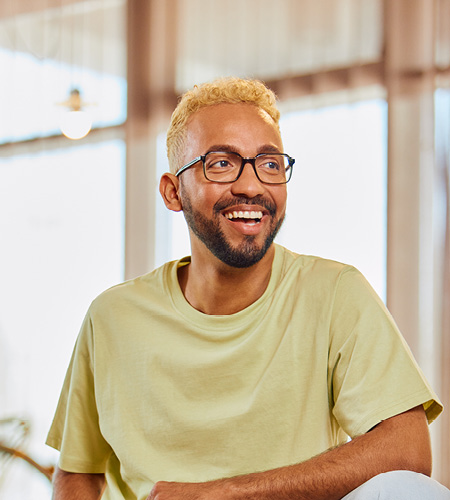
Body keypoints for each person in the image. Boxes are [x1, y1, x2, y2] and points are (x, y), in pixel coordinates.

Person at [47, 77, 450, 500]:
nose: (252, 185)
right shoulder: (113, 316)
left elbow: (408, 452)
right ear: (173, 192)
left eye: (270, 164)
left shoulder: (334, 293)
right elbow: (79, 473)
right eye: (221, 163)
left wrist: (225, 494)